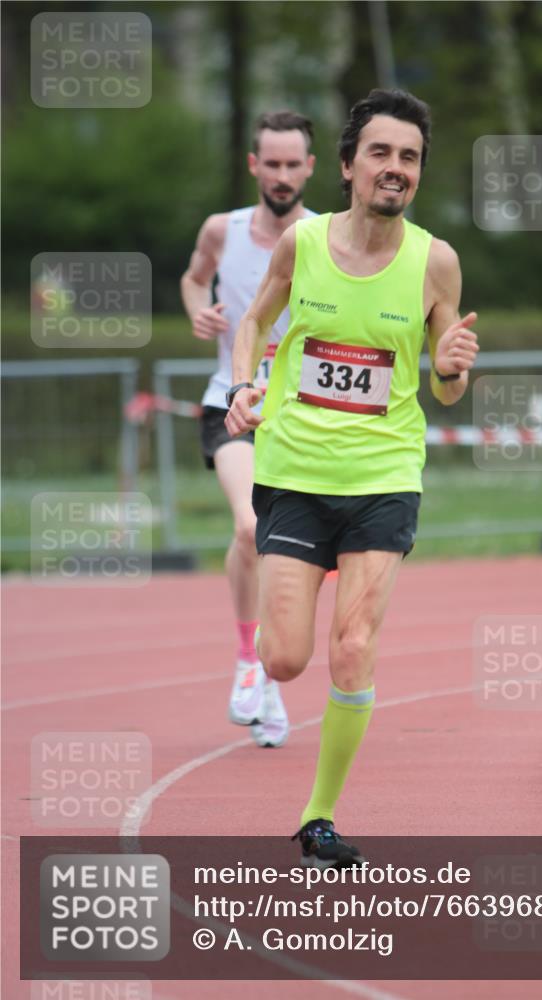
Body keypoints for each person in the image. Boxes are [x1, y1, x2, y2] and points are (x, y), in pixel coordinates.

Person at [225, 89, 479, 866]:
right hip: (296, 471)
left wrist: (449, 371)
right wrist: (244, 385)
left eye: (408, 156)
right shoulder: (299, 246)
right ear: (346, 166)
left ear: (418, 174)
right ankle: (277, 618)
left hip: (382, 476)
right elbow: (254, 321)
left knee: (355, 644)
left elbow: (443, 388)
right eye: (380, 152)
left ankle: (318, 817)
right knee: (286, 660)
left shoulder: (434, 261)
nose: (394, 168)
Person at [180, 110, 316, 748]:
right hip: (229, 399)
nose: (283, 175)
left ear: (311, 168)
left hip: (301, 413)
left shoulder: (326, 237)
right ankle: (246, 659)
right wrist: (198, 313)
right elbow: (192, 275)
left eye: (295, 164)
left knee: (284, 550)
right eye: (273, 163)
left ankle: (271, 679)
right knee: (248, 526)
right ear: (254, 165)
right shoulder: (222, 230)